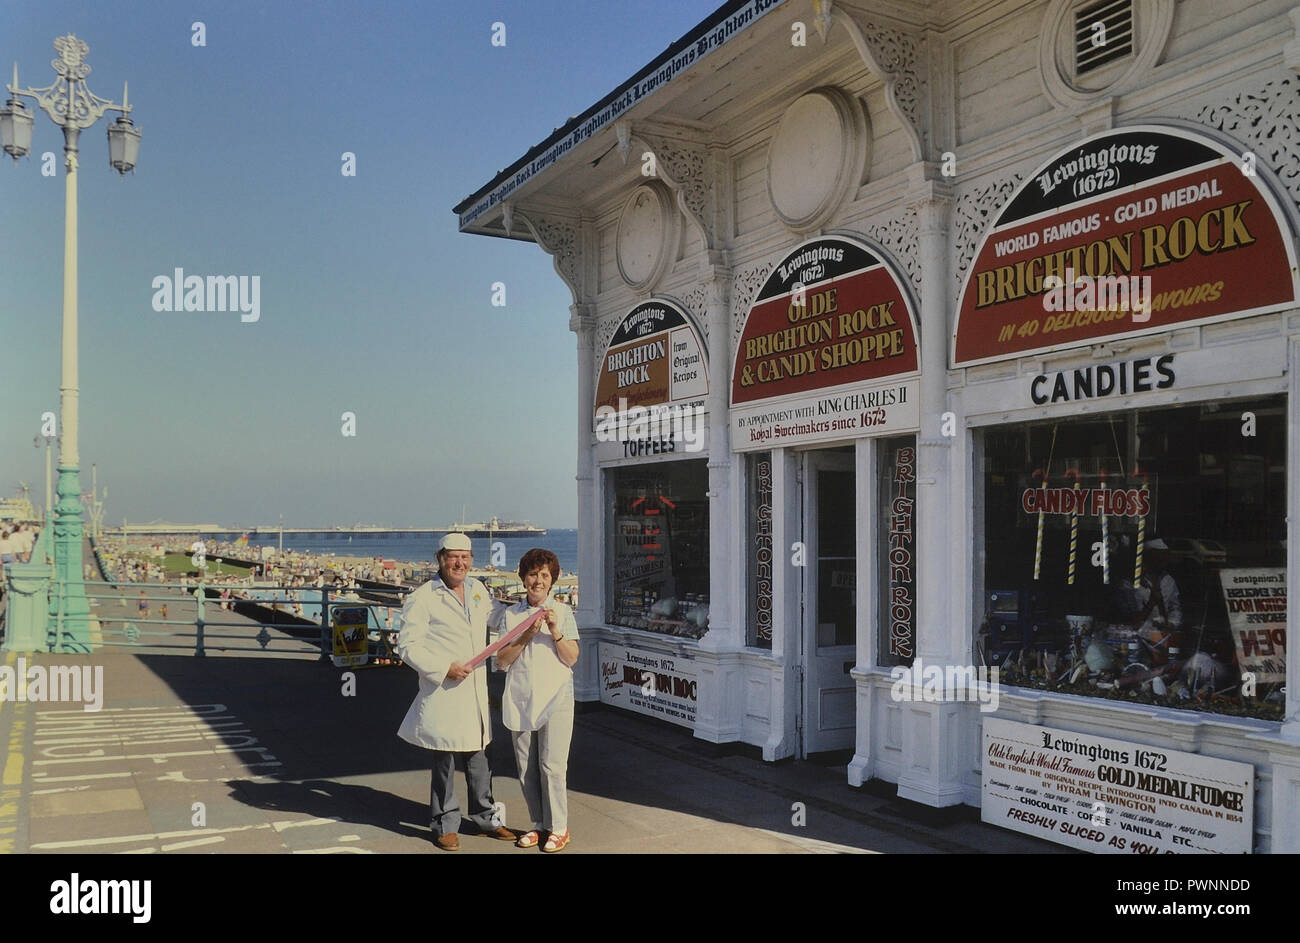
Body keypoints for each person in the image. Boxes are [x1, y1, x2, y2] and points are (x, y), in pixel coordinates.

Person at [395, 533, 515, 851]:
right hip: (445, 690)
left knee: (480, 759)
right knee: (445, 760)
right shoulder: (423, 597)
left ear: (471, 561)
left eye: (465, 557)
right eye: (453, 557)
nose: (459, 563)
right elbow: (406, 646)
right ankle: (444, 824)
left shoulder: (477, 589)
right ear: (440, 558)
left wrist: (528, 613)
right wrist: (443, 667)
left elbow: (497, 615)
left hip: (475, 691)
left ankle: (486, 819)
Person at [493, 548, 580, 853]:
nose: (538, 581)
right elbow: (501, 661)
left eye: (545, 575)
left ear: (553, 580)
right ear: (523, 578)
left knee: (552, 765)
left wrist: (555, 631)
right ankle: (538, 824)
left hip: (557, 696)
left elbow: (571, 658)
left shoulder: (563, 612)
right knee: (525, 766)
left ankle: (559, 827)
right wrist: (528, 634)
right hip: (521, 695)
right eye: (533, 574)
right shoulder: (511, 615)